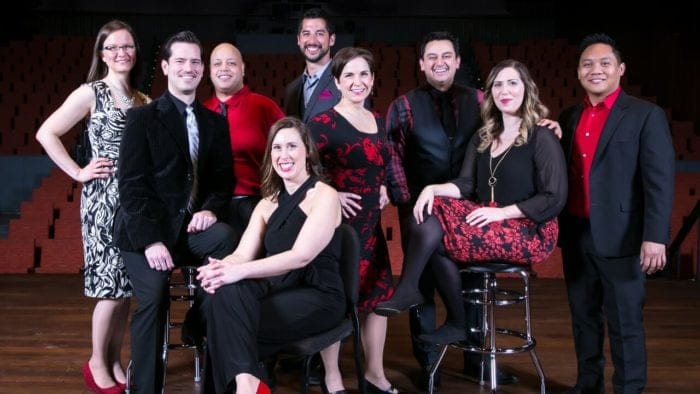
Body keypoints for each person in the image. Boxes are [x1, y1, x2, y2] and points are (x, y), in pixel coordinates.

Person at [376, 59, 566, 346]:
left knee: (436, 236)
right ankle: (446, 313)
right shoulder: (484, 136)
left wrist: (502, 214)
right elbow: (466, 185)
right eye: (498, 84)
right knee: (432, 216)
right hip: (489, 219)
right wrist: (432, 189)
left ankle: (428, 300)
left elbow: (554, 197)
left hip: (529, 228)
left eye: (512, 83)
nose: (505, 90)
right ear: (490, 93)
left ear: (526, 89)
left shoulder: (542, 136)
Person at [114, 30, 236, 393]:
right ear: (166, 66)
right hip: (146, 233)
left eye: (195, 62)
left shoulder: (215, 122)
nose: (189, 67)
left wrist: (213, 210)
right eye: (180, 60)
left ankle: (209, 351)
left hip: (192, 231)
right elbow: (132, 187)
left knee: (225, 253)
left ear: (202, 70)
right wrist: (151, 241)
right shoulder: (142, 119)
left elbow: (222, 183)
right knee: (153, 299)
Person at [35, 19, 149, 393]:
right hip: (103, 202)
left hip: (133, 201)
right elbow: (46, 132)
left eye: (127, 46)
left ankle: (114, 359)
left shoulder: (141, 98)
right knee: (108, 287)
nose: (122, 53)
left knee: (125, 286)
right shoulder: (90, 92)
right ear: (102, 54)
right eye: (113, 47)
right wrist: (78, 172)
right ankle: (96, 362)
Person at [558, 33, 674, 394]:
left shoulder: (645, 115)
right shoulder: (569, 116)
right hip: (577, 235)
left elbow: (659, 180)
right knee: (584, 319)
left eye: (605, 63)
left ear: (620, 69)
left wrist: (654, 237)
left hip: (624, 236)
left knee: (625, 323)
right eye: (587, 64)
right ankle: (587, 384)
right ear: (578, 72)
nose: (596, 70)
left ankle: (629, 388)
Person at [197, 117, 346, 394]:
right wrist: (218, 269)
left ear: (307, 152)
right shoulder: (267, 203)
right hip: (279, 290)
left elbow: (301, 256)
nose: (283, 155)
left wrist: (238, 271)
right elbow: (242, 254)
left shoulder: (324, 195)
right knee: (226, 295)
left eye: (291, 146)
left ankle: (249, 384)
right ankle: (247, 383)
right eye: (276, 148)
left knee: (227, 320)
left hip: (319, 295)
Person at [308, 47, 395, 394]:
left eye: (364, 75)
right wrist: (333, 195)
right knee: (338, 299)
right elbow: (304, 174)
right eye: (350, 76)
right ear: (337, 82)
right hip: (338, 230)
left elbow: (378, 162)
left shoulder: (377, 119)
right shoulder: (322, 123)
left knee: (377, 299)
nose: (357, 82)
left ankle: (375, 373)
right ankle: (332, 375)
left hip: (371, 227)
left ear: (373, 80)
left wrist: (384, 185)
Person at [203, 42, 284, 237]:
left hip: (254, 202)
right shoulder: (201, 112)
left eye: (231, 63)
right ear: (209, 70)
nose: (223, 68)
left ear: (243, 68)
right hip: (209, 208)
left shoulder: (264, 106)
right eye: (217, 63)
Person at [284, 7, 341, 122]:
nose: (312, 41)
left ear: (332, 39)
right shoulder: (291, 90)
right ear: (299, 40)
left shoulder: (344, 82)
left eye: (319, 34)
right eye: (306, 34)